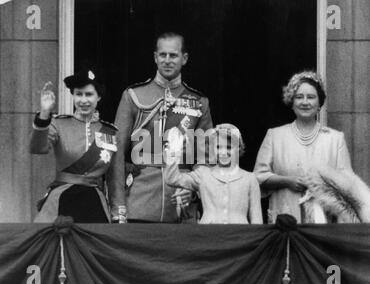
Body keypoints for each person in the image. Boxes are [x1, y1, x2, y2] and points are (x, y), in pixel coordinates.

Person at [108, 32, 213, 223]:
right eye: (162, 55)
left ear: (184, 58)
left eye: (173, 55)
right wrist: (119, 206)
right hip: (140, 202)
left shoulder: (199, 102)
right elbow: (116, 155)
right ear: (155, 57)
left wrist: (194, 190)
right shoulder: (133, 96)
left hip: (181, 205)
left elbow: (205, 159)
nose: (167, 60)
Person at [253, 71, 352, 223]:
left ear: (319, 103)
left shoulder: (335, 139)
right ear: (291, 102)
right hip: (285, 220)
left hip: (323, 221)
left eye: (311, 97)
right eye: (299, 97)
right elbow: (257, 177)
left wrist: (322, 185)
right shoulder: (275, 136)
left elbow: (346, 185)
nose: (305, 102)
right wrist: (287, 181)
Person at [30, 69, 117, 223]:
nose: (83, 100)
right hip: (62, 199)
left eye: (89, 94)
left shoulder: (110, 132)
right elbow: (37, 148)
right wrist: (44, 114)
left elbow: (114, 177)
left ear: (99, 96)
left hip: (95, 203)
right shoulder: (59, 124)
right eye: (78, 94)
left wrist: (118, 211)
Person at [164, 124, 263, 224]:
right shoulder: (203, 174)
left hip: (240, 237)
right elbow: (172, 179)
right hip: (209, 236)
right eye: (218, 147)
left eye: (229, 147)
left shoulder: (250, 179)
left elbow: (257, 220)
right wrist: (173, 153)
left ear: (238, 148)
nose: (223, 152)